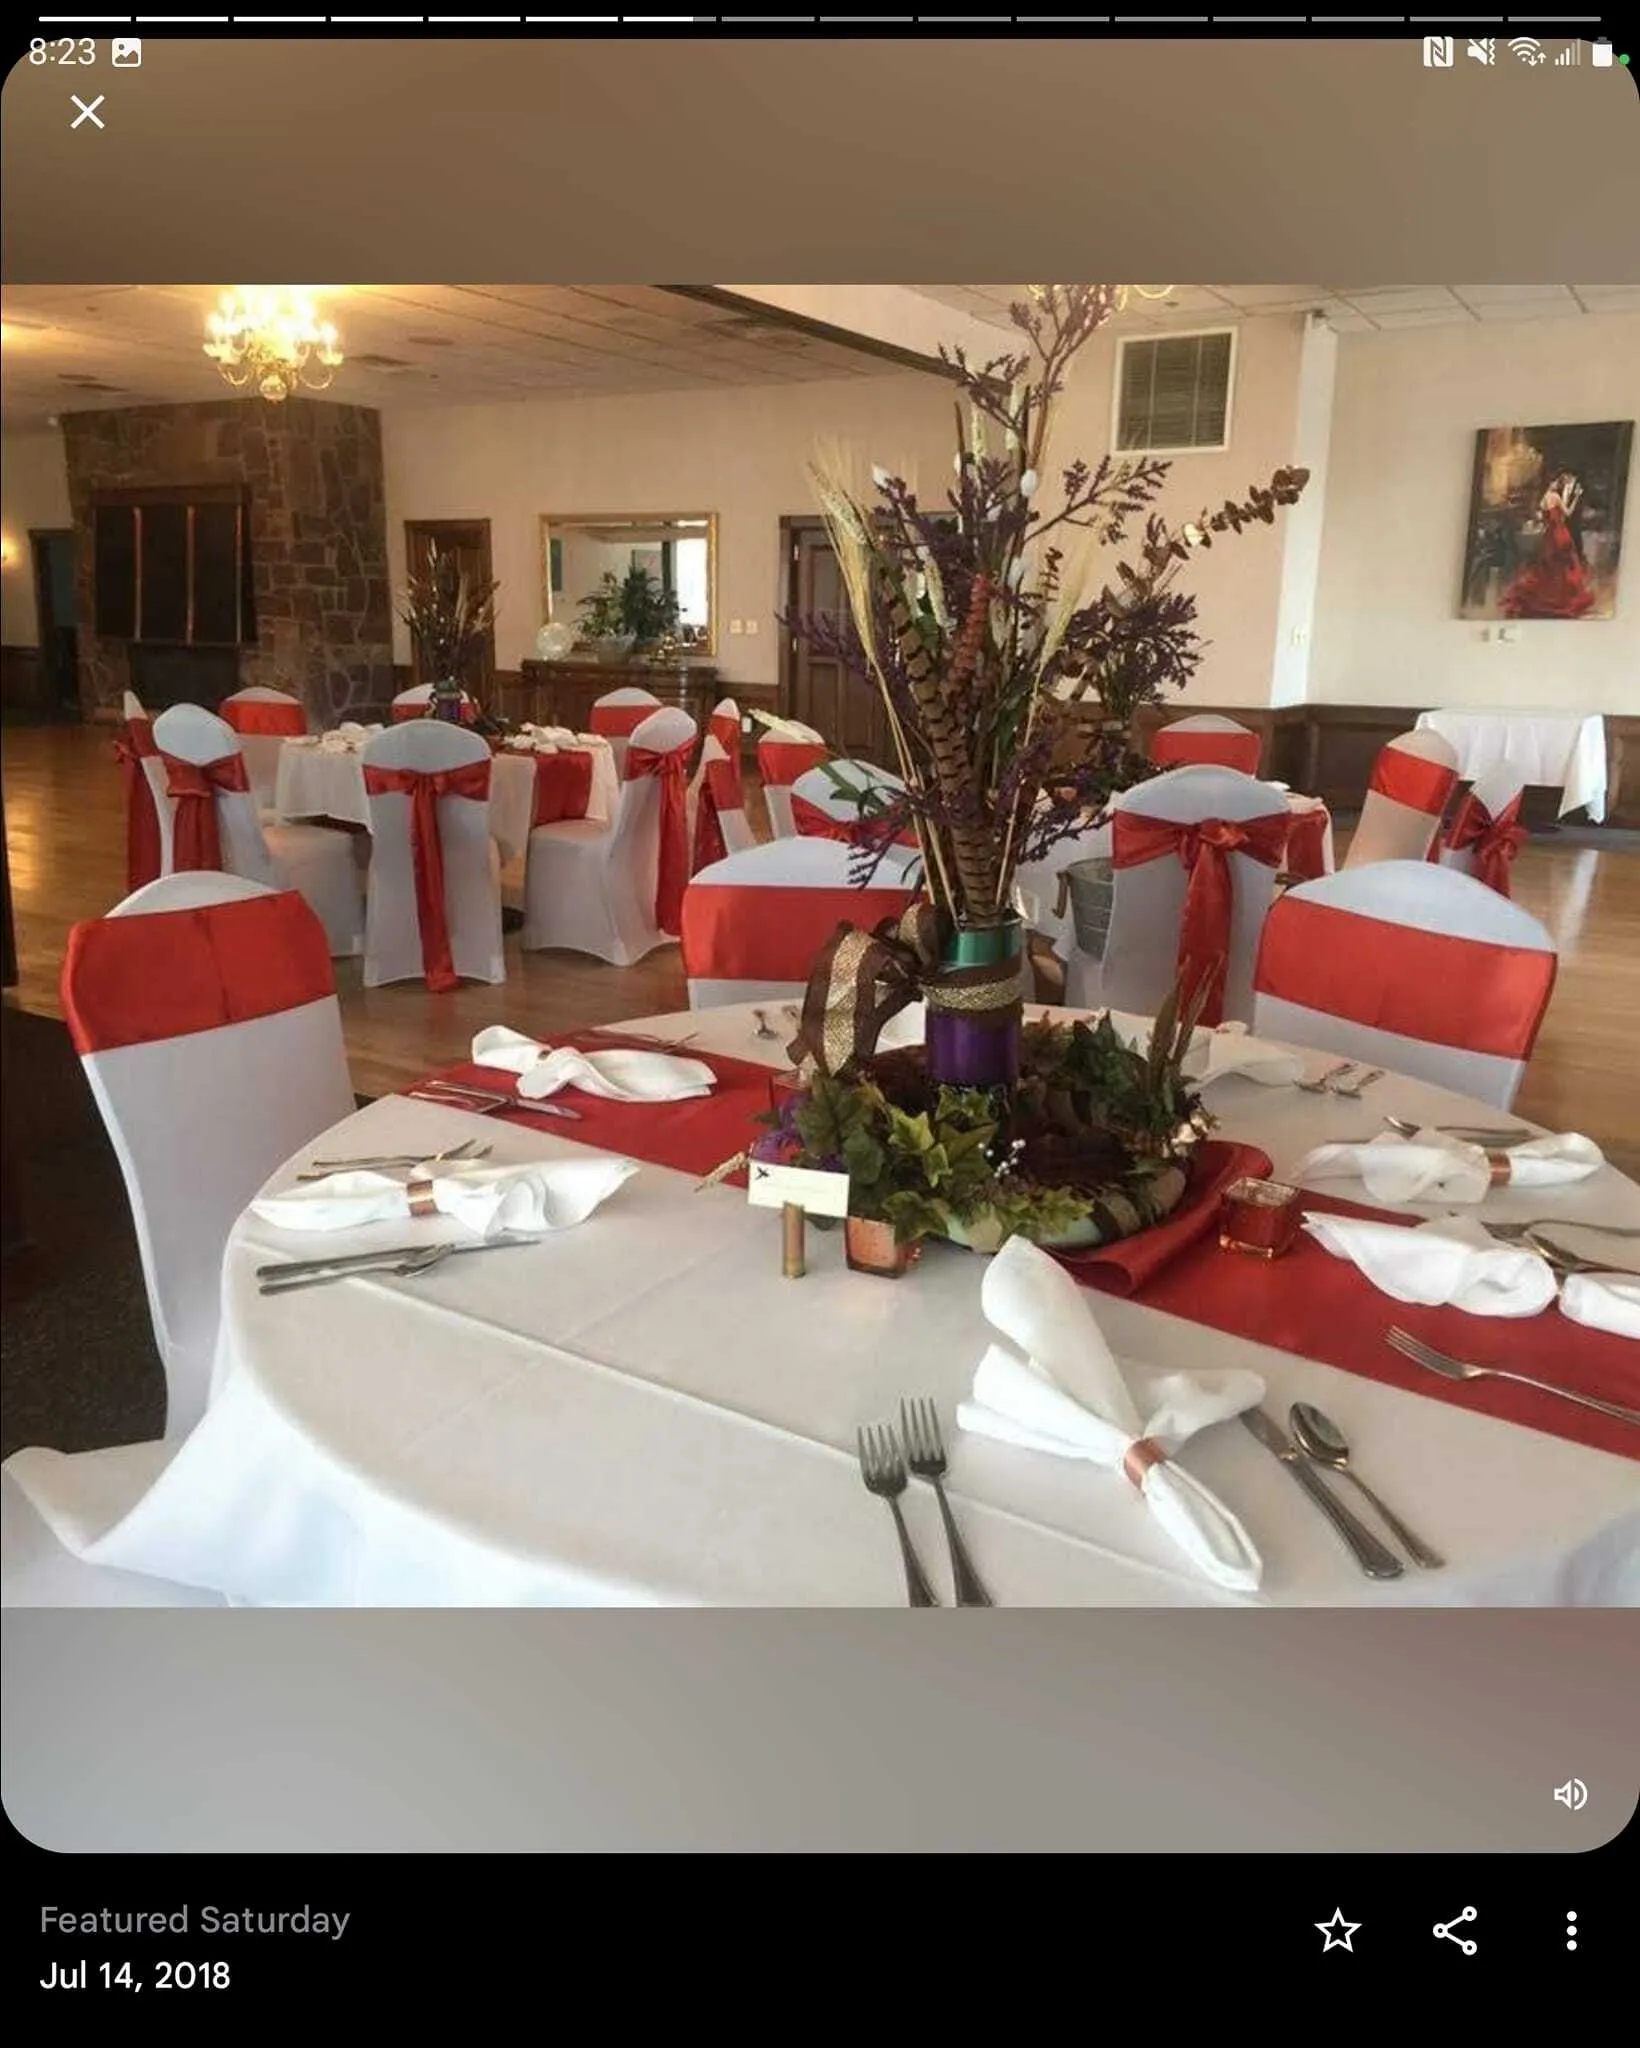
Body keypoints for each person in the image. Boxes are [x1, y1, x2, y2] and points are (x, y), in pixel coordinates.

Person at [1502, 471, 1595, 619]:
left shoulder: (1544, 499)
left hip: (1548, 536)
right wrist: (1576, 496)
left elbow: (1542, 514)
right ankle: (1562, 598)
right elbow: (1568, 513)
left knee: (1549, 566)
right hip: (1559, 533)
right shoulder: (1556, 497)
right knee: (1563, 566)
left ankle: (1551, 595)